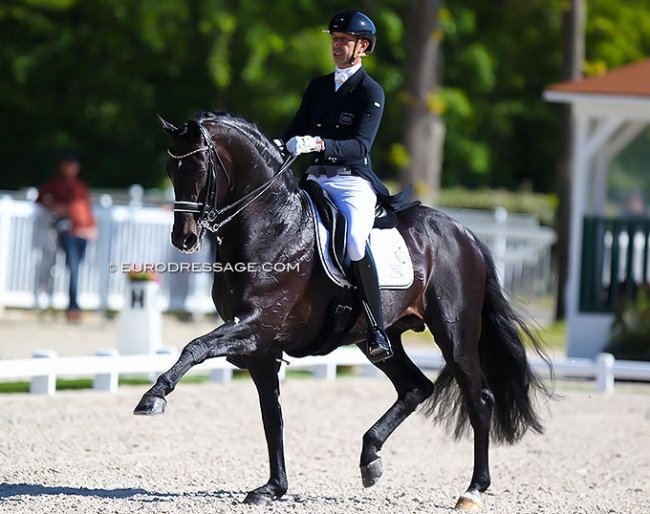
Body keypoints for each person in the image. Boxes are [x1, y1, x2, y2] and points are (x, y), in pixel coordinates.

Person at [279, 10, 401, 363]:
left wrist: (317, 144)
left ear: (362, 47)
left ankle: (377, 327)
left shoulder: (370, 91)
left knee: (352, 241)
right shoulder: (317, 86)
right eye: (334, 40)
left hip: (351, 183)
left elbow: (361, 146)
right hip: (315, 178)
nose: (336, 46)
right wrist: (276, 145)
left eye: (343, 41)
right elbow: (293, 129)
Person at [36, 152, 97, 322]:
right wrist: (56, 206)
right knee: (74, 269)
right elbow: (40, 199)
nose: (71, 167)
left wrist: (92, 226)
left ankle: (74, 305)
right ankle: (73, 306)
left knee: (77, 269)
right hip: (68, 231)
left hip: (83, 232)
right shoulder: (55, 184)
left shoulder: (80, 185)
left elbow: (86, 208)